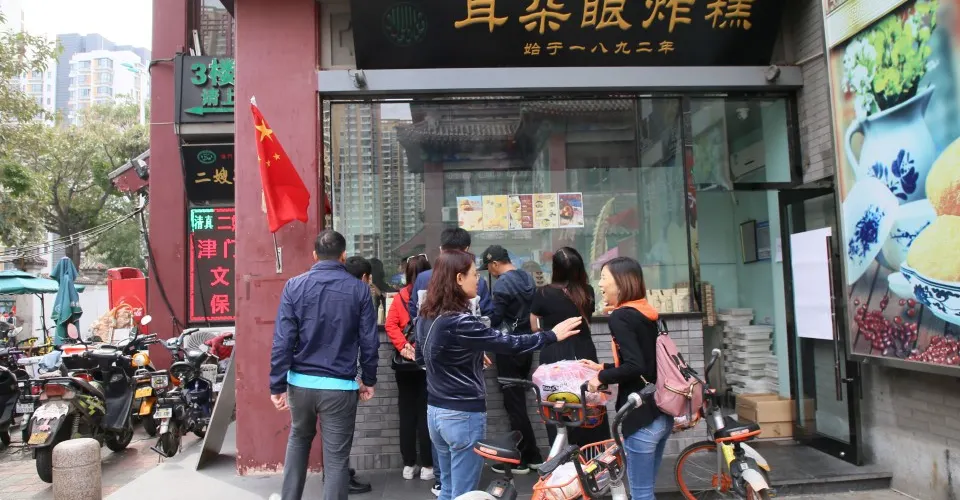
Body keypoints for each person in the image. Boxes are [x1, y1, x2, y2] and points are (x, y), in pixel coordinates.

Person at [415, 250, 583, 500]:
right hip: (461, 414)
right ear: (459, 278)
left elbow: (422, 359)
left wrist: (468, 355)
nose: (478, 281)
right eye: (474, 274)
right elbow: (508, 343)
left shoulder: (425, 315)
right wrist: (551, 335)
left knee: (448, 490)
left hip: (436, 413)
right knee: (464, 494)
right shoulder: (459, 321)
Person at [269, 230, 379, 500]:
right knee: (337, 458)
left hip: (300, 385)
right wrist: (369, 379)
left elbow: (283, 340)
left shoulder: (294, 286)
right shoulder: (359, 289)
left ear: (314, 255)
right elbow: (369, 341)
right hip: (339, 388)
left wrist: (277, 385)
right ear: (343, 255)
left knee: (298, 440)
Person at [581, 257, 670, 500]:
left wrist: (600, 377)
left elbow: (635, 366)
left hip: (640, 418)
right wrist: (604, 367)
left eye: (604, 278)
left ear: (620, 282)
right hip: (661, 415)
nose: (600, 284)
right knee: (646, 491)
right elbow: (646, 365)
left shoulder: (621, 317)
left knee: (641, 495)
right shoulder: (647, 313)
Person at [530, 247, 612, 447]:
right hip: (583, 353)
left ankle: (560, 453)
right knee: (589, 402)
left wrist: (549, 330)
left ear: (555, 268)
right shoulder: (587, 292)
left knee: (555, 404)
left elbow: (534, 326)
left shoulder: (543, 293)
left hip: (554, 354)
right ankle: (593, 452)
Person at [480, 245, 543, 474]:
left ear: (495, 263)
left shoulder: (502, 285)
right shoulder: (526, 277)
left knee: (514, 404)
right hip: (527, 345)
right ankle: (530, 455)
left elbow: (496, 317)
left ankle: (527, 457)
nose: (490, 271)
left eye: (489, 267)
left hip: (509, 347)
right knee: (518, 401)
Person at [384, 254, 434, 482]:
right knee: (426, 412)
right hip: (427, 362)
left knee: (406, 413)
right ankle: (427, 465)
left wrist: (404, 346)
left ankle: (408, 464)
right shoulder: (434, 296)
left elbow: (390, 325)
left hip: (405, 366)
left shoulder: (401, 297)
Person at [407, 228, 494, 322]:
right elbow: (487, 315)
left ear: (441, 249)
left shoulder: (423, 278)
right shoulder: (476, 281)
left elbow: (414, 311)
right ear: (466, 249)